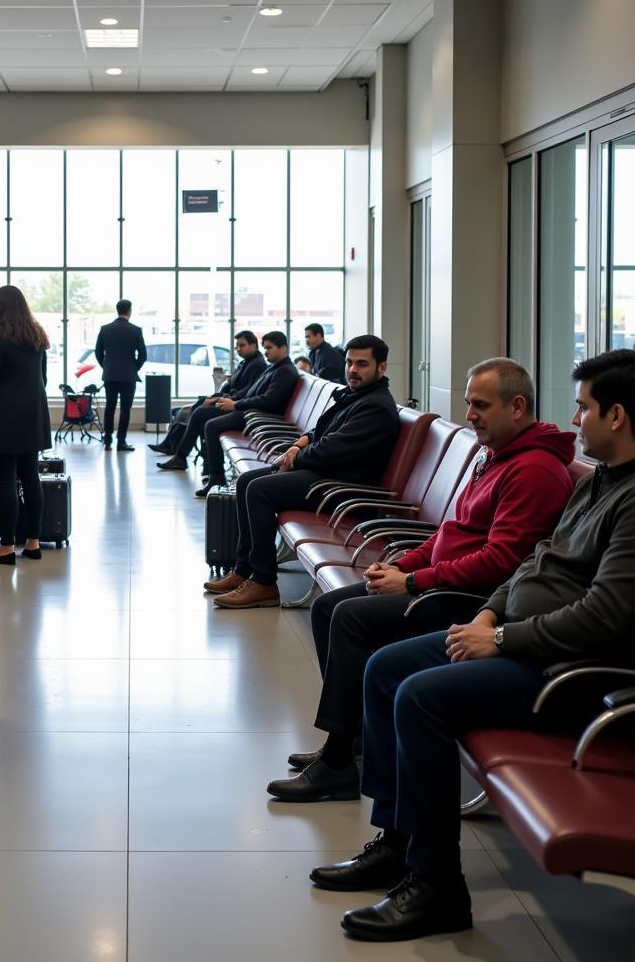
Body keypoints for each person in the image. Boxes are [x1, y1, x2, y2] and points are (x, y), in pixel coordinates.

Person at [313, 349, 635, 942]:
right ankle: (398, 840)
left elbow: (607, 616)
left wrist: (504, 635)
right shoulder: (601, 484)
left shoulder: (628, 500)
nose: (575, 418)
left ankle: (436, 885)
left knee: (419, 697)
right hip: (514, 636)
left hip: (567, 671)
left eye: (585, 407)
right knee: (385, 668)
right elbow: (536, 561)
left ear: (617, 415)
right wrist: (490, 614)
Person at [267, 358, 576, 803]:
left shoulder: (534, 471)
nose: (469, 415)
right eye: (469, 403)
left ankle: (337, 765)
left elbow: (500, 561)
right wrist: (405, 565)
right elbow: (452, 533)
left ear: (518, 407)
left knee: (351, 618)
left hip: (471, 598)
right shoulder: (496, 456)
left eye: (481, 405)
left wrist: (414, 583)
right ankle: (352, 739)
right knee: (327, 607)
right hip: (441, 580)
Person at [208, 336, 400, 609]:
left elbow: (330, 450)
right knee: (247, 480)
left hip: (343, 488)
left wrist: (296, 458)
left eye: (362, 364)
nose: (353, 369)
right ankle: (244, 569)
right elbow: (321, 431)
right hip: (329, 476)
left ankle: (263, 582)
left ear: (382, 367)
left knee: (259, 490)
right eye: (349, 362)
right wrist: (298, 445)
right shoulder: (356, 396)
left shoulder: (376, 407)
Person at [0, 286, 51, 566]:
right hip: (33, 417)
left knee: (5, 482)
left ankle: (5, 548)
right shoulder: (37, 336)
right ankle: (33, 543)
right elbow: (43, 379)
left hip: (3, 420)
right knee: (30, 478)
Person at [195, 331, 299, 497]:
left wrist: (235, 405)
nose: (266, 352)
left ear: (283, 348)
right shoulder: (275, 368)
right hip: (254, 413)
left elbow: (268, 401)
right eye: (264, 348)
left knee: (211, 425)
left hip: (262, 417)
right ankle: (213, 474)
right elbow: (253, 393)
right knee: (206, 418)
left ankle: (216, 478)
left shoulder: (285, 371)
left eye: (269, 348)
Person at [151, 331, 267, 462]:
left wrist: (219, 399)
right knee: (198, 405)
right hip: (230, 400)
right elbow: (234, 385)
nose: (238, 349)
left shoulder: (257, 365)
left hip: (236, 406)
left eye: (242, 345)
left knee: (199, 413)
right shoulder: (247, 362)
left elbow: (247, 393)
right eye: (237, 346)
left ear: (253, 345)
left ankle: (180, 455)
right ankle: (176, 450)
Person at [95, 299, 147, 451]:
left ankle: (108, 441)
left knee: (109, 407)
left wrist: (106, 366)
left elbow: (98, 352)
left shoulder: (105, 329)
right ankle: (121, 442)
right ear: (129, 311)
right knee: (125, 409)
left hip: (110, 375)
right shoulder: (135, 330)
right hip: (128, 377)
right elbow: (143, 356)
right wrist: (133, 368)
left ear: (118, 310)